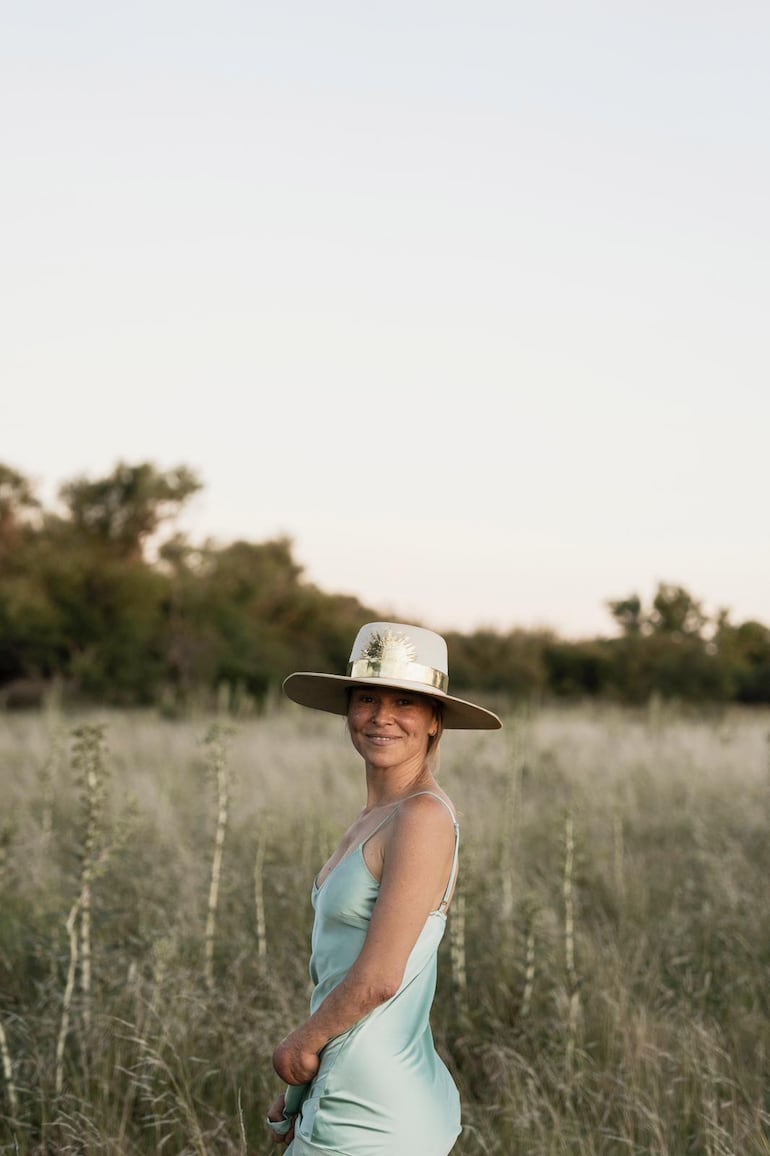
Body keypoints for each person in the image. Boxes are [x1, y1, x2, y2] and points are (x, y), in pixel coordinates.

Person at [266, 621, 503, 1156]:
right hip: (342, 1083)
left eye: (405, 702)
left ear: (436, 721)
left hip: (373, 1111)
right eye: (367, 697)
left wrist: (298, 1047)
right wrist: (302, 1086)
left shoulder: (422, 817)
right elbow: (343, 971)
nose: (381, 716)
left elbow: (377, 980)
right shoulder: (377, 815)